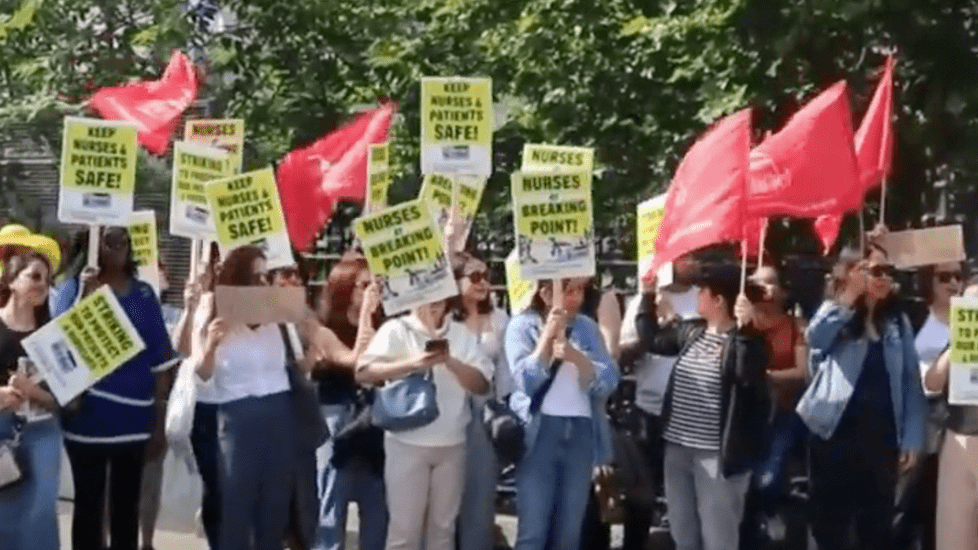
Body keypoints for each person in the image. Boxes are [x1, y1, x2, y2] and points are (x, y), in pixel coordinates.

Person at [52, 227, 179, 550]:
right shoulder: (71, 289)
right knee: (88, 509)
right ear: (93, 245)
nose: (119, 246)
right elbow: (57, 348)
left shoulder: (145, 295)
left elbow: (162, 365)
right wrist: (83, 296)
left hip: (134, 423)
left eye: (124, 239)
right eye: (110, 239)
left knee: (125, 512)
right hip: (87, 421)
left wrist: (159, 420)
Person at [798, 244, 927, 550]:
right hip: (834, 436)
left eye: (888, 271)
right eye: (875, 270)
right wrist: (847, 298)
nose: (883, 278)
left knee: (877, 529)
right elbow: (815, 339)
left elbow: (911, 381)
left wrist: (911, 438)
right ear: (854, 273)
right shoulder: (838, 313)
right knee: (830, 527)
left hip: (880, 440)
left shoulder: (897, 322)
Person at [634, 263, 769, 550]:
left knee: (718, 535)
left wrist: (745, 332)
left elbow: (748, 376)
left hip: (716, 456)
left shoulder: (749, 343)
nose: (697, 295)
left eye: (703, 291)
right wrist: (647, 296)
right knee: (684, 531)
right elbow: (653, 340)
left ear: (718, 300)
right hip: (678, 449)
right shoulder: (693, 332)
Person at [357, 298, 493, 550]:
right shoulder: (397, 329)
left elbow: (482, 384)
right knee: (404, 533)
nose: (432, 305)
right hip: (406, 443)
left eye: (438, 299)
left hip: (452, 444)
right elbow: (363, 372)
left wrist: (450, 361)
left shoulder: (461, 332)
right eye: (424, 298)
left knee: (443, 531)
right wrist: (412, 364)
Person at [194, 245, 304, 550]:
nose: (263, 284)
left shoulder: (279, 313)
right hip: (238, 416)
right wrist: (212, 344)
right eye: (255, 277)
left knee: (274, 508)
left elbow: (303, 357)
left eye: (267, 277)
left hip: (279, 412)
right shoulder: (213, 308)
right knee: (236, 507)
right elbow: (201, 375)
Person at [505, 278, 620, 550]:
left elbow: (610, 381)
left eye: (580, 290)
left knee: (569, 532)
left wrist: (576, 358)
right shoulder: (521, 326)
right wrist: (547, 338)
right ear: (546, 293)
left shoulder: (587, 328)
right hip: (539, 431)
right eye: (569, 291)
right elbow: (525, 381)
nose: (577, 298)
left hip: (580, 432)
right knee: (533, 530)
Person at [618, 258, 700, 550]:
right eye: (688, 254)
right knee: (641, 496)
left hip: (691, 415)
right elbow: (622, 355)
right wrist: (649, 332)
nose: (696, 259)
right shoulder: (643, 301)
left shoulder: (705, 299)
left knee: (689, 498)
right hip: (649, 413)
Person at [310, 254, 387, 550]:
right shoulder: (324, 329)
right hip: (336, 419)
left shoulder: (384, 325)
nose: (371, 291)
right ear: (344, 288)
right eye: (363, 285)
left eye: (375, 284)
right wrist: (366, 315)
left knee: (377, 505)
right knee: (331, 502)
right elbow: (359, 362)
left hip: (373, 419)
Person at [893, 261, 962, 550]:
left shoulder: (970, 319)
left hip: (955, 427)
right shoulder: (915, 317)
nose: (953, 283)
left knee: (943, 510)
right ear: (928, 281)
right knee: (902, 507)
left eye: (958, 276)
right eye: (944, 276)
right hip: (916, 424)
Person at [739, 265, 808, 548]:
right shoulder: (743, 323)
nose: (764, 289)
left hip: (782, 411)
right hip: (746, 414)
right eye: (758, 284)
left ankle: (770, 510)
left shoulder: (796, 326)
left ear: (782, 290)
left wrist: (765, 377)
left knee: (767, 478)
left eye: (770, 283)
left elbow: (802, 372)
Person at [0, 251, 61, 550]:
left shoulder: (52, 336)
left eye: (48, 281)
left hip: (41, 433)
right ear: (11, 281)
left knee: (39, 515)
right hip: (1, 433)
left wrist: (32, 391)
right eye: (35, 276)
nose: (42, 285)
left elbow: (68, 402)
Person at [451, 251, 512, 550]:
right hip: (447, 410)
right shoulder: (444, 318)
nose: (482, 282)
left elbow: (506, 370)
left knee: (480, 493)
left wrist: (504, 410)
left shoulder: (500, 318)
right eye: (474, 276)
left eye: (487, 276)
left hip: (483, 411)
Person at [926, 276, 978, 550]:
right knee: (954, 535)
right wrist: (957, 342)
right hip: (959, 438)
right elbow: (932, 382)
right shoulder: (958, 343)